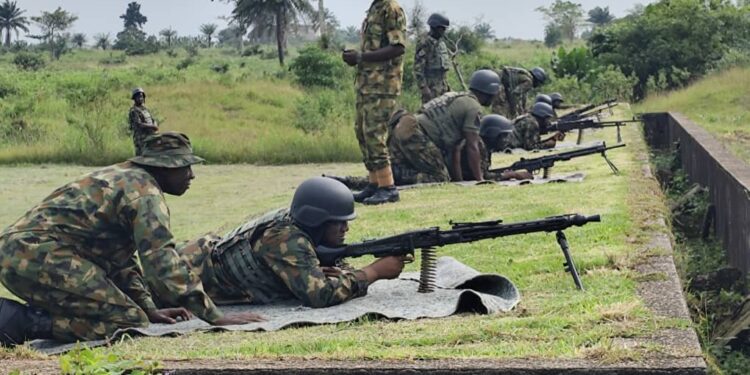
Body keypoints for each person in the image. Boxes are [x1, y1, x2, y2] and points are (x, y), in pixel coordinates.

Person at [0, 132, 263, 347]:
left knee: (134, 314)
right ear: (163, 167)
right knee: (126, 320)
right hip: (36, 256)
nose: (191, 175)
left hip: (23, 253)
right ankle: (19, 322)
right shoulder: (144, 194)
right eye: (184, 166)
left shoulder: (124, 176)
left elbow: (121, 260)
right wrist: (214, 316)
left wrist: (148, 307)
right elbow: (162, 262)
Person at [170, 177, 406, 308]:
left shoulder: (297, 222)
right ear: (317, 220)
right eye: (338, 222)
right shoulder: (286, 239)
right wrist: (373, 272)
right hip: (178, 278)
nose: (346, 228)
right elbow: (319, 295)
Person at [342, 0, 408, 205]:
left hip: (383, 85)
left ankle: (388, 187)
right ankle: (374, 183)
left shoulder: (392, 9)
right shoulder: (375, 8)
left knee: (374, 134)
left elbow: (397, 48)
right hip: (367, 84)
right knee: (361, 132)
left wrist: (361, 57)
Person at [386, 69, 500, 185]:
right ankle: (397, 176)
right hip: (416, 134)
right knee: (440, 178)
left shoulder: (455, 96)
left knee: (401, 169)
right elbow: (472, 146)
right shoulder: (474, 108)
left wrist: (459, 179)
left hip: (402, 126)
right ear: (490, 91)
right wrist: (479, 179)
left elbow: (457, 148)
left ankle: (386, 177)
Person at [414, 13, 451, 104]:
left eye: (444, 29)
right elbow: (418, 68)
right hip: (431, 87)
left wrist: (447, 87)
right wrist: (424, 88)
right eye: (441, 28)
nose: (443, 31)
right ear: (434, 27)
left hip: (442, 86)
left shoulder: (441, 43)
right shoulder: (425, 43)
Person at [129, 87, 159, 156]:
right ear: (134, 98)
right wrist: (152, 126)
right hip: (141, 139)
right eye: (138, 97)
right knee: (142, 158)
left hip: (150, 136)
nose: (140, 98)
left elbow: (152, 119)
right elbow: (139, 124)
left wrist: (155, 125)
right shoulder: (134, 111)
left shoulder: (145, 109)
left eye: (141, 97)